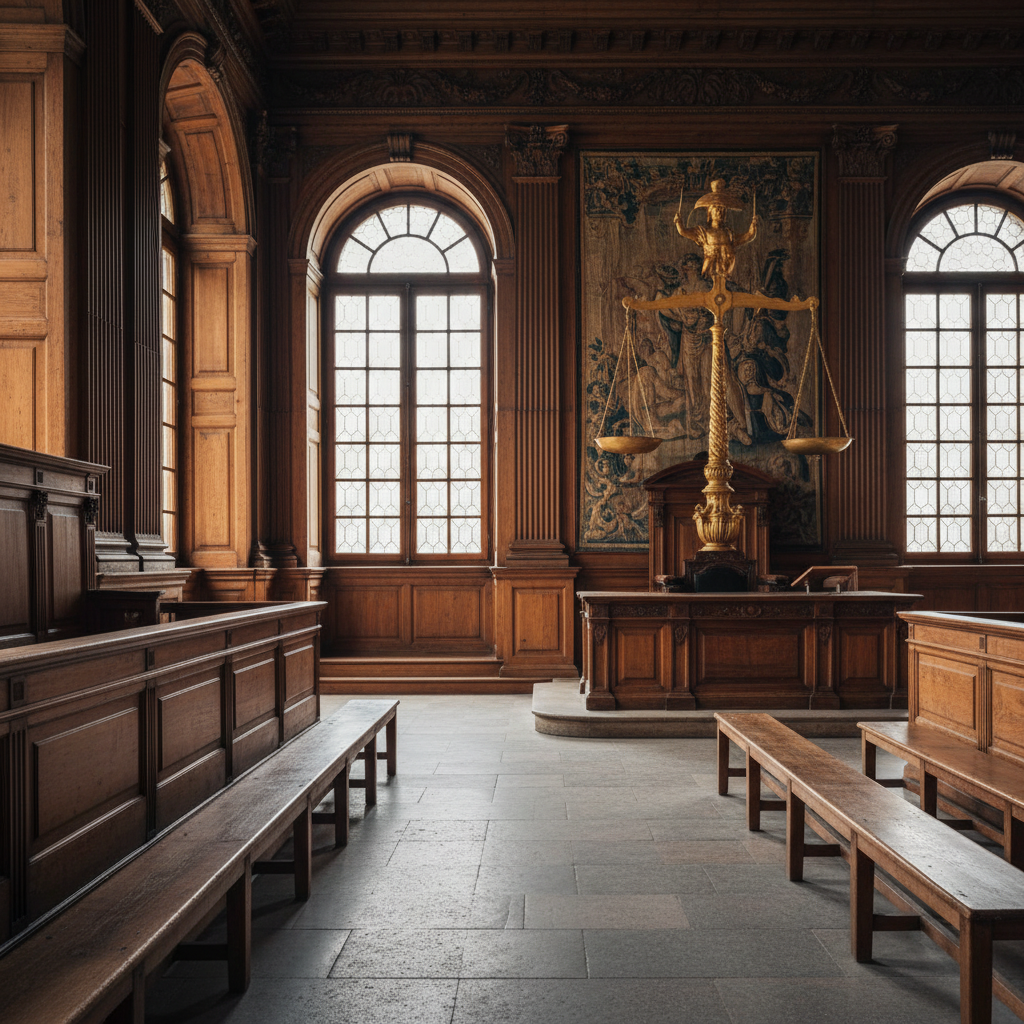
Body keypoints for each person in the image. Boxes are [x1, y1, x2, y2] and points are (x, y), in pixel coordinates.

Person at [674, 179, 758, 280]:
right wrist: (678, 222)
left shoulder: (728, 233)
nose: (719, 212)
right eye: (716, 209)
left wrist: (753, 227)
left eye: (722, 210)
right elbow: (683, 232)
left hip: (727, 269)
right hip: (710, 267)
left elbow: (747, 236)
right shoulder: (704, 232)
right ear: (710, 213)